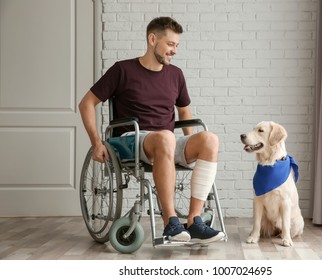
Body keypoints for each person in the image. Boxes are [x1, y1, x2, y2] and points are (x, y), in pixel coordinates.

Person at [79, 17, 225, 244]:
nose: (174, 50)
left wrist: (192, 150)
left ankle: (194, 221)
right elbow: (86, 103)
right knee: (166, 137)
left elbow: (184, 114)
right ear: (152, 39)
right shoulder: (122, 70)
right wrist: (97, 142)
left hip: (165, 143)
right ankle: (171, 224)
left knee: (209, 139)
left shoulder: (176, 74)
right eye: (170, 44)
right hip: (131, 140)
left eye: (177, 45)